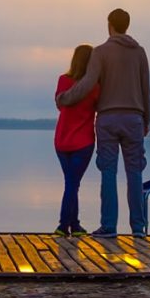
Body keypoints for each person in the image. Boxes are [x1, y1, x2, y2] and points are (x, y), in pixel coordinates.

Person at [56, 8, 150, 238]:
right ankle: (138, 228)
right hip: (134, 118)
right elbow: (145, 88)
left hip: (108, 118)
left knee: (108, 173)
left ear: (109, 24)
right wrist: (146, 119)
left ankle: (109, 227)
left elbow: (87, 83)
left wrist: (64, 98)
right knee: (135, 173)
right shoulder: (140, 52)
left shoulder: (100, 52)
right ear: (127, 25)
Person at [53, 44, 100, 237]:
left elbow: (59, 105)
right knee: (72, 183)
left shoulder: (63, 81)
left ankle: (75, 225)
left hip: (62, 141)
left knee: (72, 182)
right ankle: (63, 226)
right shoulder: (95, 87)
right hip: (83, 142)